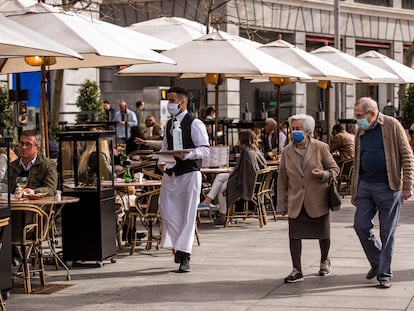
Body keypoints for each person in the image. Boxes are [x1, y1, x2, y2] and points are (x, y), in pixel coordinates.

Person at [351, 97, 414, 289]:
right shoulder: (360, 129)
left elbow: (407, 155)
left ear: (371, 113)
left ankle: (384, 274)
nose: (357, 119)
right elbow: (357, 159)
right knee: (360, 225)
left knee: (388, 232)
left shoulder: (392, 125)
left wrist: (407, 185)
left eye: (359, 115)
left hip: (389, 186)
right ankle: (378, 262)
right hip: (366, 185)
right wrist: (355, 189)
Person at [277, 114, 339, 283]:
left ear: (308, 131)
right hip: (296, 200)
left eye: (298, 129)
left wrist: (324, 174)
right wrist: (281, 204)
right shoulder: (287, 151)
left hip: (317, 199)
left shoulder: (321, 147)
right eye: (293, 128)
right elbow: (282, 180)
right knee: (294, 235)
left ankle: (324, 260)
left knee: (323, 233)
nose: (294, 132)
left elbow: (335, 169)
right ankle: (297, 269)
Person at [157, 86, 209, 273]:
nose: (169, 104)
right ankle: (178, 245)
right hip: (170, 173)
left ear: (182, 101)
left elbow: (204, 149)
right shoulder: (169, 124)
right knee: (167, 210)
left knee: (187, 215)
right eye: (168, 100)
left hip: (189, 173)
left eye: (172, 100)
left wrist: (185, 155)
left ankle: (184, 254)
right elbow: (165, 144)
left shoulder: (195, 124)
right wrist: (161, 161)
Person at [199, 129, 267, 225]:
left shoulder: (246, 152)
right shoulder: (254, 150)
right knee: (220, 176)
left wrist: (233, 172)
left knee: (222, 190)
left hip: (245, 182)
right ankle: (207, 201)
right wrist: (233, 171)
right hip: (249, 180)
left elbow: (247, 171)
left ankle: (223, 216)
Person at [9, 129, 58, 196]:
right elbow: (4, 187)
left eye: (28, 144)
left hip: (37, 205)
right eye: (22, 143)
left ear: (37, 148)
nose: (23, 147)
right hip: (15, 204)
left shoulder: (47, 165)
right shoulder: (12, 166)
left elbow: (51, 189)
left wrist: (35, 192)